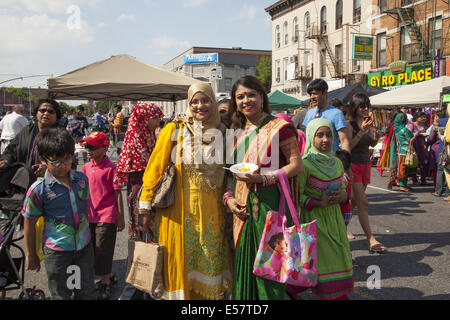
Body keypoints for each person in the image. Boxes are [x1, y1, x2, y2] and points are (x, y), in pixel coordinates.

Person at [138, 83, 232, 300]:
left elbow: (228, 173)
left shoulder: (223, 132)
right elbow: (154, 168)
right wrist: (144, 208)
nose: (200, 105)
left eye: (206, 100)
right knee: (179, 269)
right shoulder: (175, 129)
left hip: (212, 214)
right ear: (189, 105)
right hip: (178, 215)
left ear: (213, 102)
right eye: (195, 101)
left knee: (207, 274)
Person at [224, 76, 303, 300]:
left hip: (269, 206)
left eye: (251, 95)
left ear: (262, 97)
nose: (246, 100)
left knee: (270, 268)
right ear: (235, 102)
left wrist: (264, 179)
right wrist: (228, 199)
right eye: (240, 97)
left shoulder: (280, 128)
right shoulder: (237, 131)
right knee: (243, 266)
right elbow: (231, 171)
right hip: (241, 209)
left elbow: (297, 166)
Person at [21, 128, 96, 300]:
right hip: (57, 253)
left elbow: (84, 209)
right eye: (56, 161)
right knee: (61, 294)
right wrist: (31, 254)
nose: (62, 166)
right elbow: (29, 223)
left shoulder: (82, 180)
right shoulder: (38, 190)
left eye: (67, 159)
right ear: (43, 159)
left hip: (83, 248)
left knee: (86, 292)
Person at [290, 118, 353, 300]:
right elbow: (296, 196)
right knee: (318, 265)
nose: (325, 140)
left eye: (329, 135)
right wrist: (317, 202)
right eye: (320, 135)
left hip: (335, 220)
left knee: (338, 258)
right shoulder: (305, 164)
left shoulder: (337, 163)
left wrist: (344, 196)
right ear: (311, 137)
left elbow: (343, 188)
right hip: (313, 222)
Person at [115, 102, 164, 300]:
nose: (158, 121)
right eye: (155, 117)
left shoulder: (145, 135)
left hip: (144, 194)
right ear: (145, 118)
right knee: (143, 240)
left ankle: (142, 285)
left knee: (146, 240)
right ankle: (138, 287)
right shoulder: (138, 140)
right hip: (141, 196)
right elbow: (150, 170)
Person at [80, 131, 125, 300]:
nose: (88, 149)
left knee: (103, 249)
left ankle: (105, 282)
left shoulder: (111, 169)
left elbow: (118, 193)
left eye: (92, 146)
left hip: (107, 215)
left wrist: (120, 216)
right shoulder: (86, 167)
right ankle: (110, 273)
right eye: (86, 146)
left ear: (104, 148)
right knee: (92, 249)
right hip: (89, 214)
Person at [347, 93, 386, 253]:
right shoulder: (350, 124)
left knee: (354, 203)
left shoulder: (368, 123)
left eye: (367, 106)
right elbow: (348, 145)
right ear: (355, 107)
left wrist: (375, 137)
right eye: (362, 106)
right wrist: (362, 131)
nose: (365, 109)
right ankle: (371, 239)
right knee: (363, 203)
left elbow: (370, 144)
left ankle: (341, 226)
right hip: (353, 165)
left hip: (365, 165)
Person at [0, 99, 62, 178]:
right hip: (24, 180)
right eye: (42, 110)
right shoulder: (27, 131)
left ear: (57, 116)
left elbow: (66, 160)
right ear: (36, 113)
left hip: (50, 182)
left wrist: (49, 168)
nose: (46, 113)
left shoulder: (61, 135)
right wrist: (6, 161)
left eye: (50, 111)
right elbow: (12, 150)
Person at [302, 79, 351, 152]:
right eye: (311, 94)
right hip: (311, 159)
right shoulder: (309, 113)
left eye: (315, 93)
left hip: (330, 160)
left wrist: (345, 161)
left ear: (325, 93)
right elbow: (306, 139)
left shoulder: (336, 114)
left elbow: (344, 141)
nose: (312, 97)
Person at [395, 113, 420, 192]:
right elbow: (409, 141)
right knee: (404, 168)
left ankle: (404, 185)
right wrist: (415, 135)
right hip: (405, 151)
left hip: (401, 150)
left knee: (404, 168)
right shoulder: (404, 130)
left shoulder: (397, 129)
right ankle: (402, 186)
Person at [407, 111, 429, 185]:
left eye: (425, 117)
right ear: (416, 118)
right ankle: (414, 180)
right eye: (422, 117)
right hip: (414, 146)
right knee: (414, 163)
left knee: (423, 163)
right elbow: (408, 135)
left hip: (422, 146)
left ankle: (423, 180)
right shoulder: (411, 125)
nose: (424, 118)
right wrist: (416, 134)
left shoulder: (424, 126)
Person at [335, 149, 353, 230]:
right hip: (347, 211)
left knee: (338, 232)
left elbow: (350, 195)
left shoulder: (342, 178)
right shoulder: (347, 176)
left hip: (342, 211)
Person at [433, 109, 449, 198]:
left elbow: (438, 134)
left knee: (440, 170)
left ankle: (438, 191)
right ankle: (448, 192)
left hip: (444, 149)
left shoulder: (443, 121)